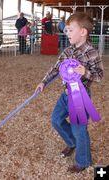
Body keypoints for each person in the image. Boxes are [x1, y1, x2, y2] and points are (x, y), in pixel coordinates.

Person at [35, 12, 103, 173]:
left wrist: (85, 71)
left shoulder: (92, 53)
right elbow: (56, 68)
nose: (67, 33)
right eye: (66, 30)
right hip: (66, 95)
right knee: (56, 120)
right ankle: (72, 143)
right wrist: (43, 81)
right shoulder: (67, 51)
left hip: (80, 97)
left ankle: (83, 160)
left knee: (79, 129)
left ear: (83, 32)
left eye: (70, 30)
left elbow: (99, 76)